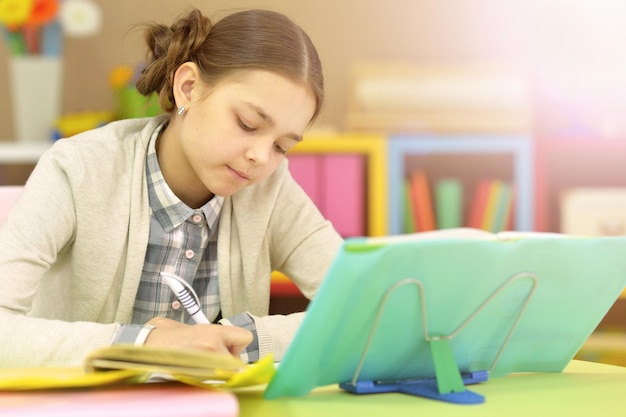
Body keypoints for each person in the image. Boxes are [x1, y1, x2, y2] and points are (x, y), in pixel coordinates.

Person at [0, 8, 342, 368]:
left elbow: (366, 312)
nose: (260, 157)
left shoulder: (270, 190)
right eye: (247, 123)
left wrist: (240, 339)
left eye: (281, 146)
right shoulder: (77, 169)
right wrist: (146, 345)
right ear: (188, 88)